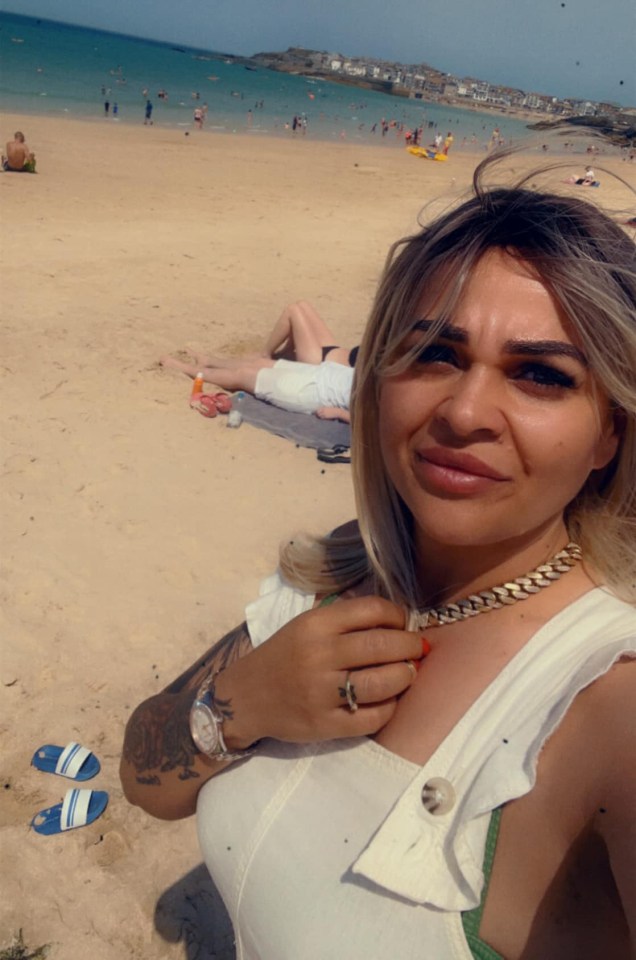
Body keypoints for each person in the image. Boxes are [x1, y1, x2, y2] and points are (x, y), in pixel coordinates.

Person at [121, 162, 636, 959]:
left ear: (610, 431)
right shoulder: (341, 570)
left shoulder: (608, 699)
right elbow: (142, 775)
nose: (463, 412)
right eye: (433, 353)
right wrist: (243, 704)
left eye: (539, 374)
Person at [160, 353, 353, 422]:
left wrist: (340, 414)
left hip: (315, 392)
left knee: (244, 376)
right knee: (260, 363)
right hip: (325, 374)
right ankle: (210, 361)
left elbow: (376, 421)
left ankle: (185, 368)